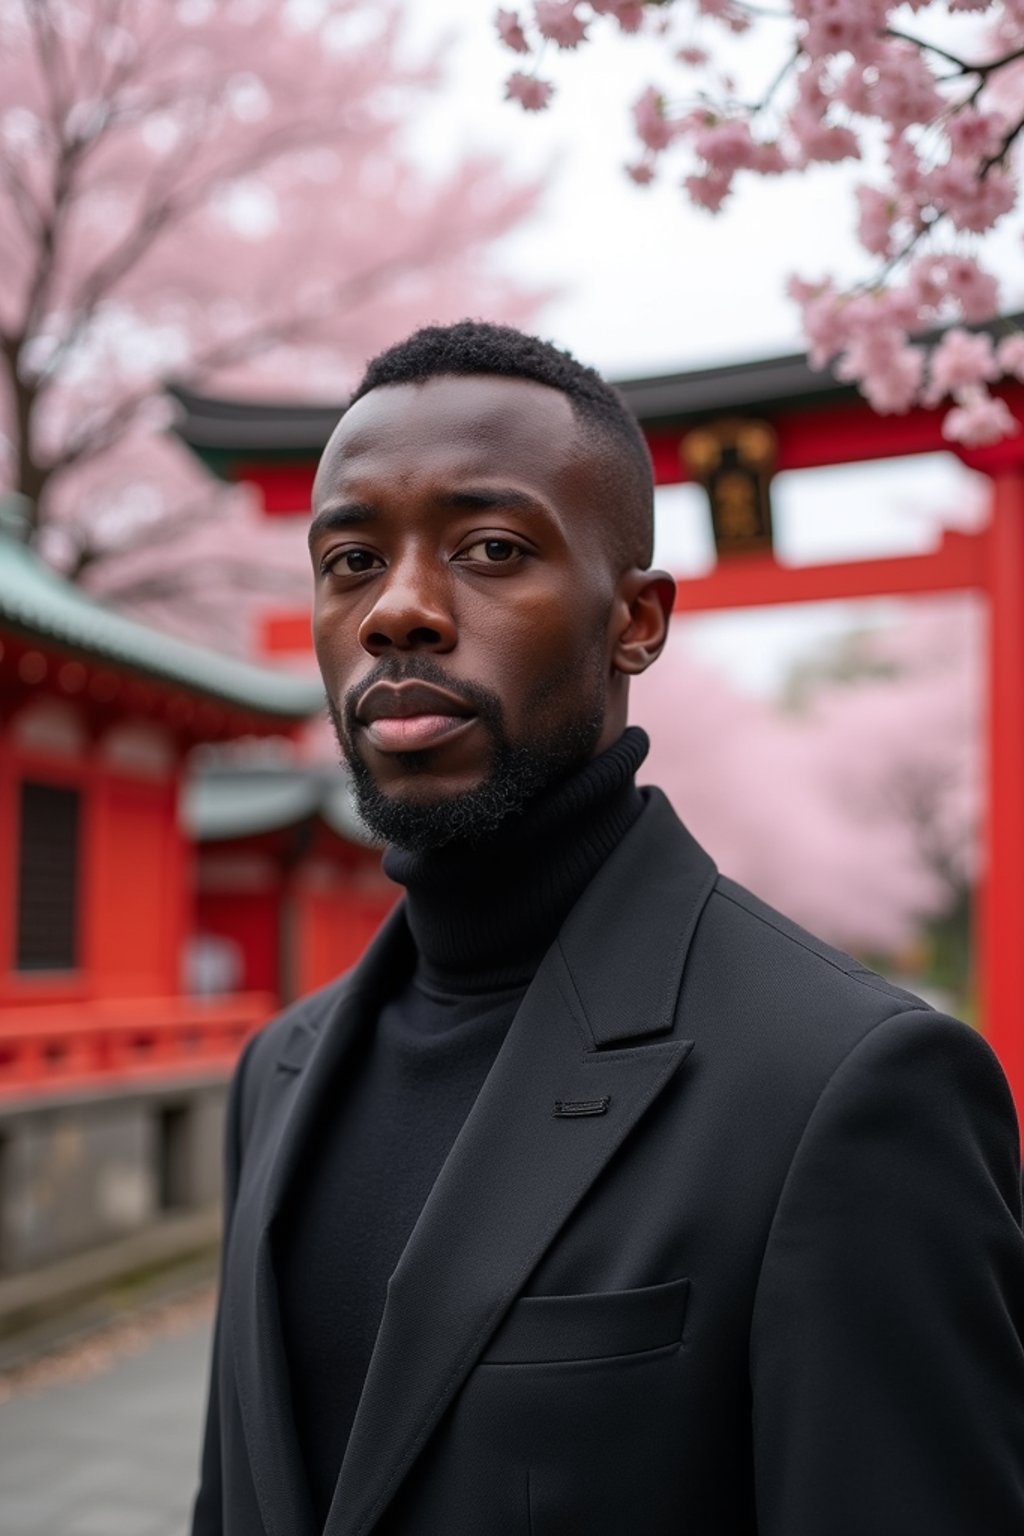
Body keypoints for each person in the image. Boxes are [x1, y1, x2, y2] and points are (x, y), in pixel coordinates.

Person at [191, 321, 1024, 1536]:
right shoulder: (280, 1070)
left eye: (490, 548)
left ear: (635, 619)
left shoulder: (843, 1086)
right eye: (352, 560)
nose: (400, 613)